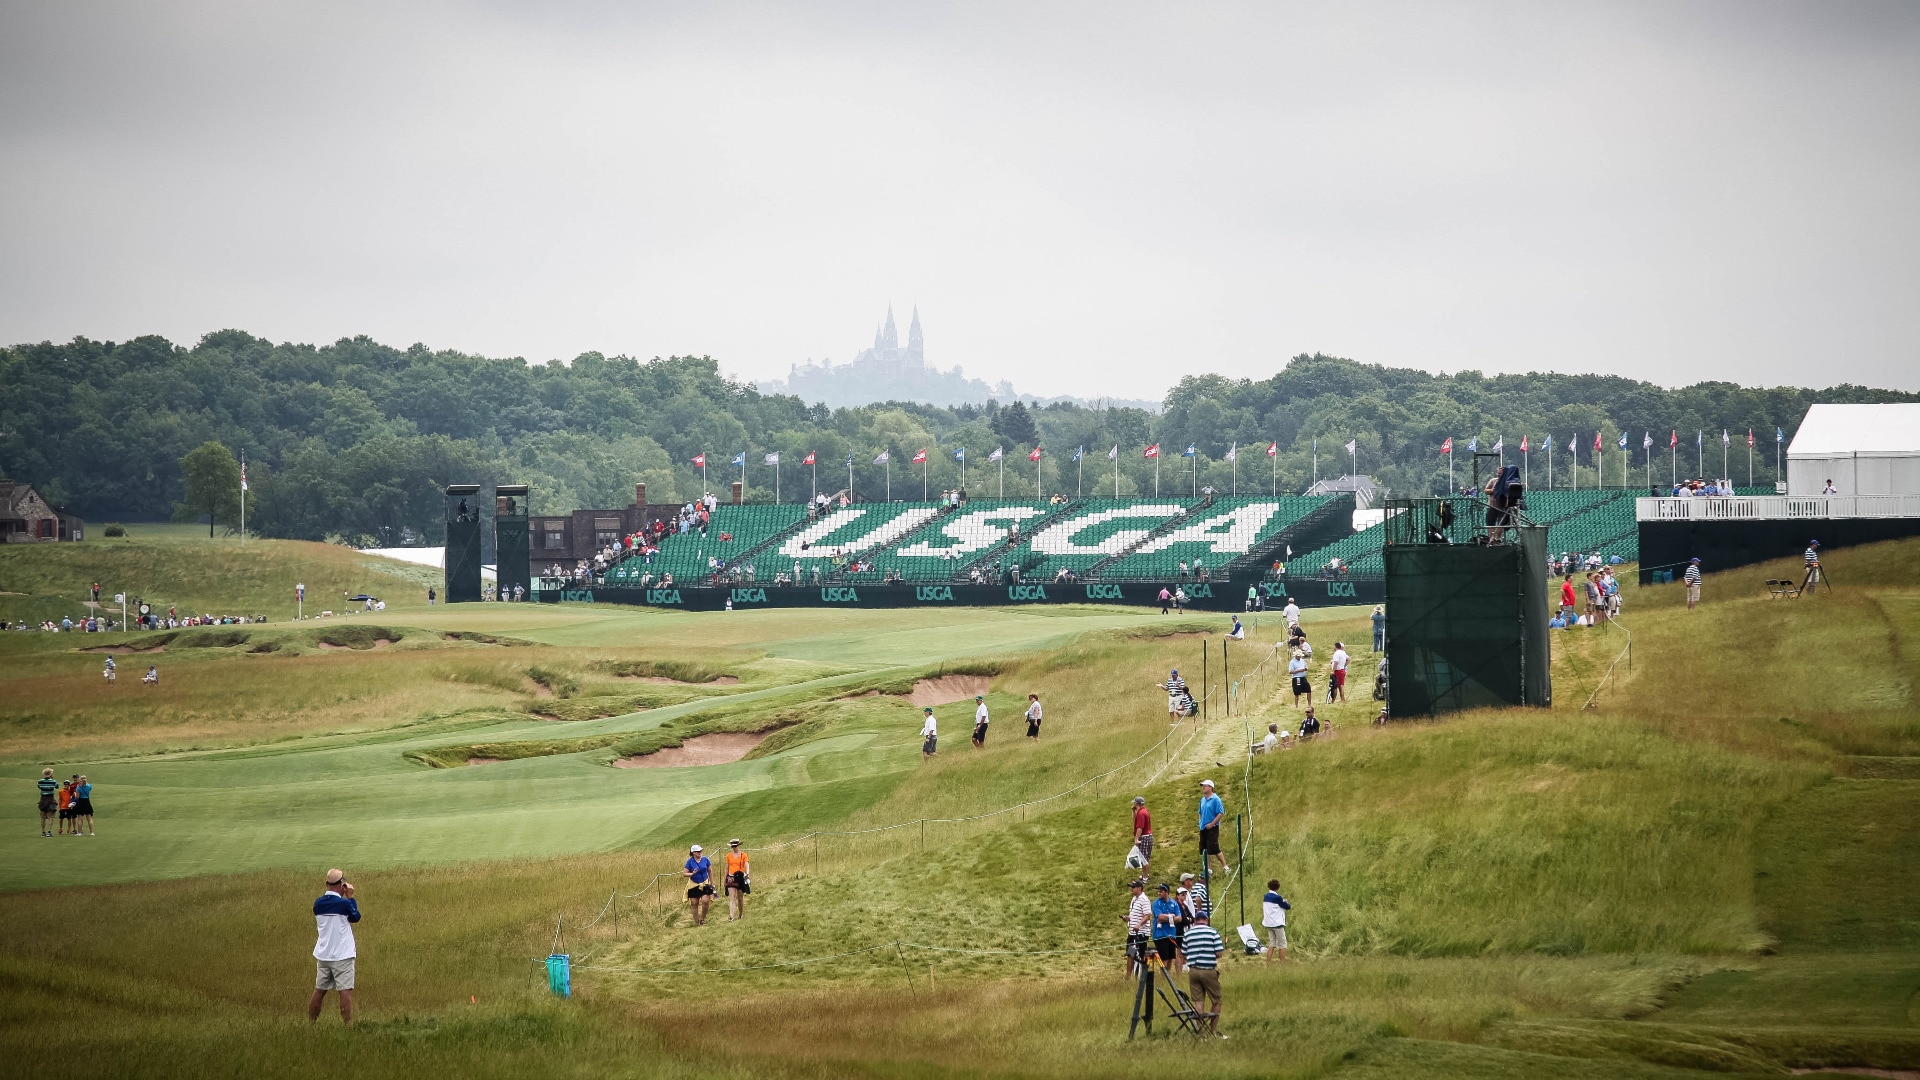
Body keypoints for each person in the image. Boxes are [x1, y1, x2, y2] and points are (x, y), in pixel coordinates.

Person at [310, 869, 360, 1025]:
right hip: (342, 955)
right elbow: (355, 917)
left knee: (319, 991)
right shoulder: (344, 904)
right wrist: (350, 897)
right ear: (342, 884)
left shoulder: (318, 904)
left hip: (323, 955)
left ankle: (311, 1024)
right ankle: (348, 1026)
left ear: (326, 884)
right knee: (344, 991)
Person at [1182, 912, 1226, 1036]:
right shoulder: (1213, 932)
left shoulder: (1188, 934)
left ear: (1195, 920)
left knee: (1198, 1002)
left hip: (1193, 971)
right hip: (1208, 970)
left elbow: (1184, 954)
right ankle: (1212, 1031)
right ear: (1206, 919)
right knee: (1216, 1001)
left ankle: (1201, 1032)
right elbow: (1219, 953)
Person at [1198, 779, 1228, 878]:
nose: (1203, 787)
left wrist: (1212, 824)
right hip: (1203, 828)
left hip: (1213, 828)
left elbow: (1221, 813)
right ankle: (1208, 869)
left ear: (1210, 787)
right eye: (1203, 786)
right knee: (1205, 849)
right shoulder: (1202, 799)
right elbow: (1200, 812)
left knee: (1214, 847)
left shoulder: (1216, 799)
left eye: (1205, 786)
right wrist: (1200, 822)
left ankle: (1225, 867)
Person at [1124, 878, 1153, 977]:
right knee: (1130, 953)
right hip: (1133, 933)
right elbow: (1136, 915)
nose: (1131, 889)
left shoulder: (1144, 899)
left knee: (1140, 955)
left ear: (1140, 888)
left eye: (1133, 887)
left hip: (1141, 933)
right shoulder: (1134, 899)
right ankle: (1128, 976)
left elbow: (1147, 915)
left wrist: (1139, 925)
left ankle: (1140, 977)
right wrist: (1128, 918)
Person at [1150, 883, 1183, 968]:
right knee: (1163, 958)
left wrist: (1167, 918)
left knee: (1170, 958)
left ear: (1167, 892)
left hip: (1171, 934)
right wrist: (1171, 916)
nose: (1159, 893)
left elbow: (1179, 918)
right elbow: (1160, 917)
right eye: (1158, 891)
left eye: (1161, 891)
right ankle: (1163, 977)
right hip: (1160, 935)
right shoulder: (1156, 903)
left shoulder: (1174, 903)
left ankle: (1167, 979)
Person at [683, 844, 715, 925]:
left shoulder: (705, 859)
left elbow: (710, 871)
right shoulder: (689, 862)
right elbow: (684, 874)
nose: (700, 852)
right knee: (694, 903)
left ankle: (702, 919)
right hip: (693, 885)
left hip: (704, 883)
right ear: (693, 852)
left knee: (705, 901)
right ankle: (697, 922)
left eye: (700, 851)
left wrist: (712, 882)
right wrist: (692, 874)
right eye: (698, 851)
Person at [1261, 880, 1291, 962]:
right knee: (1282, 944)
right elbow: (1287, 907)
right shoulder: (1278, 898)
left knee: (1272, 944)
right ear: (1278, 887)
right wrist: (1285, 901)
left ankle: (1268, 964)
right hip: (1277, 924)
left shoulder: (1266, 896)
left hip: (1268, 923)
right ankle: (1282, 964)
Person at [723, 839, 751, 922]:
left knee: (740, 898)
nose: (734, 848)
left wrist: (747, 873)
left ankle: (740, 913)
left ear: (738, 846)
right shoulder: (728, 856)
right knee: (732, 898)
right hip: (731, 877)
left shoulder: (744, 855)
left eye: (735, 846)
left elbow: (746, 864)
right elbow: (726, 868)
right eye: (733, 846)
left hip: (740, 877)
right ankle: (731, 916)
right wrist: (725, 879)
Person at [1132, 796, 1154, 870]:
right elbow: (1136, 820)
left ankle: (1145, 878)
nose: (1133, 804)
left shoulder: (1141, 813)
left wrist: (1136, 839)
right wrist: (1133, 811)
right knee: (1145, 858)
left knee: (1143, 859)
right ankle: (1145, 876)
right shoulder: (1144, 811)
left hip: (1144, 837)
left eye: (1134, 802)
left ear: (1136, 803)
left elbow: (1140, 828)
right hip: (1148, 836)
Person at [37, 768, 58, 837]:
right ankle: (49, 831)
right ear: (50, 774)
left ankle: (43, 832)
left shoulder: (40, 781)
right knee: (51, 817)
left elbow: (39, 787)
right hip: (50, 799)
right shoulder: (53, 781)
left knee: (43, 817)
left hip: (43, 799)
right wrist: (52, 779)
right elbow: (57, 786)